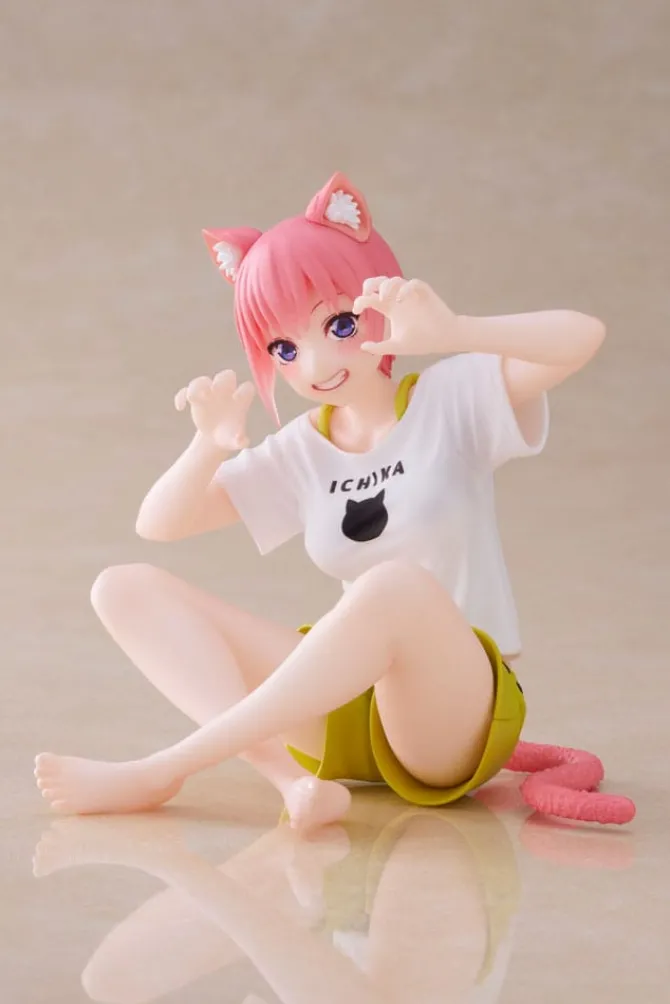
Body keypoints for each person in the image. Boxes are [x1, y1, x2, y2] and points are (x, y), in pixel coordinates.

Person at [34, 172, 613, 831]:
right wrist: (207, 445)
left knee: (394, 585)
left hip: (449, 718)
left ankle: (164, 768)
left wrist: (454, 329)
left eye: (339, 325)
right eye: (284, 348)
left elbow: (582, 336)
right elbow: (159, 524)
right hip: (346, 707)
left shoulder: (449, 400)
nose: (312, 365)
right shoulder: (303, 448)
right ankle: (290, 782)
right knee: (123, 587)